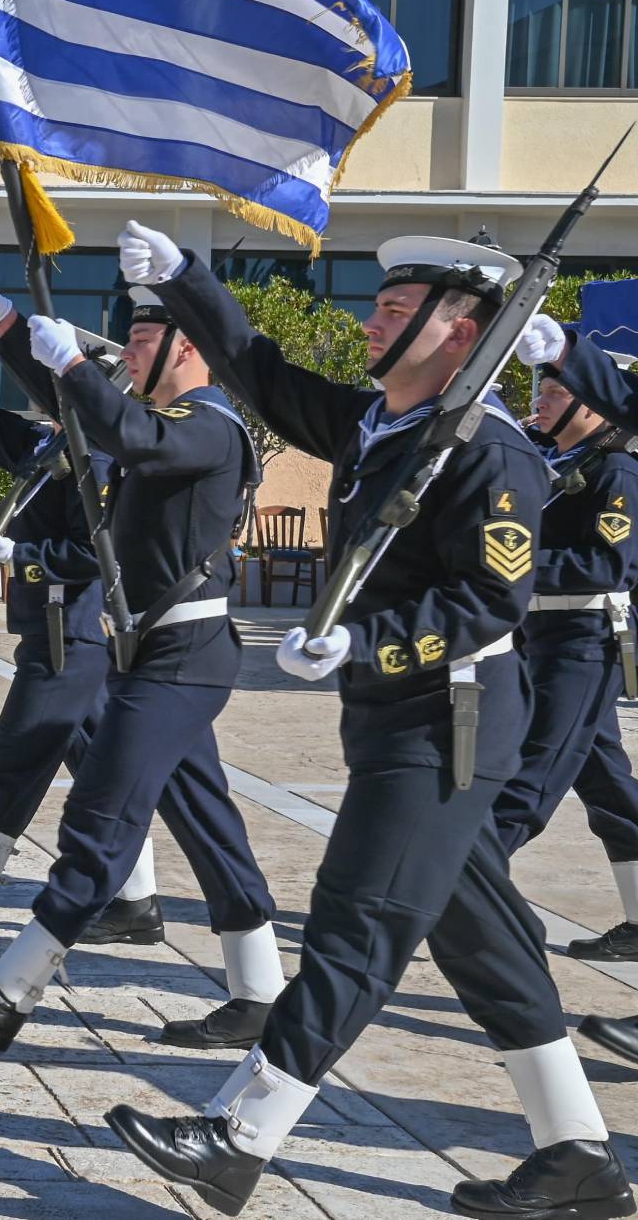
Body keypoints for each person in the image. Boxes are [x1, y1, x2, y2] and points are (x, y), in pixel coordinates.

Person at [105, 225, 627, 1220]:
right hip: (396, 720)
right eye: (381, 303)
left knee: (356, 919)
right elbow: (261, 373)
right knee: (484, 940)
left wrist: (370, 641)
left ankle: (240, 1134)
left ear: (458, 329)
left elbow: (491, 601)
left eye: (396, 311)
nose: (372, 319)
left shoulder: (491, 453)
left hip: (449, 721)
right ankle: (579, 1155)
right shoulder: (381, 426)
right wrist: (186, 279)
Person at [0, 284, 285, 1055]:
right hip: (155, 648)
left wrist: (73, 362)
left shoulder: (209, 428)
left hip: (182, 652)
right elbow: (75, 413)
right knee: (209, 821)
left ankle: (10, 989)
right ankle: (260, 991)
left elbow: (119, 424)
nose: (131, 352)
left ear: (188, 348)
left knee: (98, 822)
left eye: (143, 341)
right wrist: (9, 329)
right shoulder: (156, 424)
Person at [493, 366, 638, 954]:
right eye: (541, 390)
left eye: (556, 393)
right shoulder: (554, 464)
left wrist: (511, 568)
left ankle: (450, 890)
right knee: (609, 789)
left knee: (527, 778)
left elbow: (610, 564)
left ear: (598, 404)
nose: (542, 401)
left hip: (585, 640)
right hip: (544, 634)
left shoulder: (617, 469)